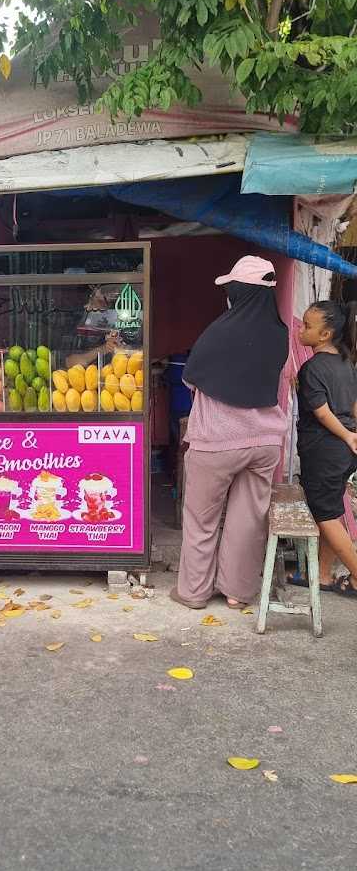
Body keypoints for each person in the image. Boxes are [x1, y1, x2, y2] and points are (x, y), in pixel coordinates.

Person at [171, 255, 289, 610]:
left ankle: (193, 592)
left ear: (237, 293)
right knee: (247, 522)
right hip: (267, 441)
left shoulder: (219, 331)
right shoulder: (280, 334)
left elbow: (190, 378)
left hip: (217, 443)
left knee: (202, 521)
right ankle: (238, 593)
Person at [295, 299, 357, 597]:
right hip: (343, 453)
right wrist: (352, 435)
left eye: (307, 326)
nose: (300, 330)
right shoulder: (346, 363)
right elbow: (354, 406)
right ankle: (322, 575)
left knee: (326, 515)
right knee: (330, 509)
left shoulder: (312, 369)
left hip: (325, 451)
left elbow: (321, 412)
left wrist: (346, 435)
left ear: (325, 335)